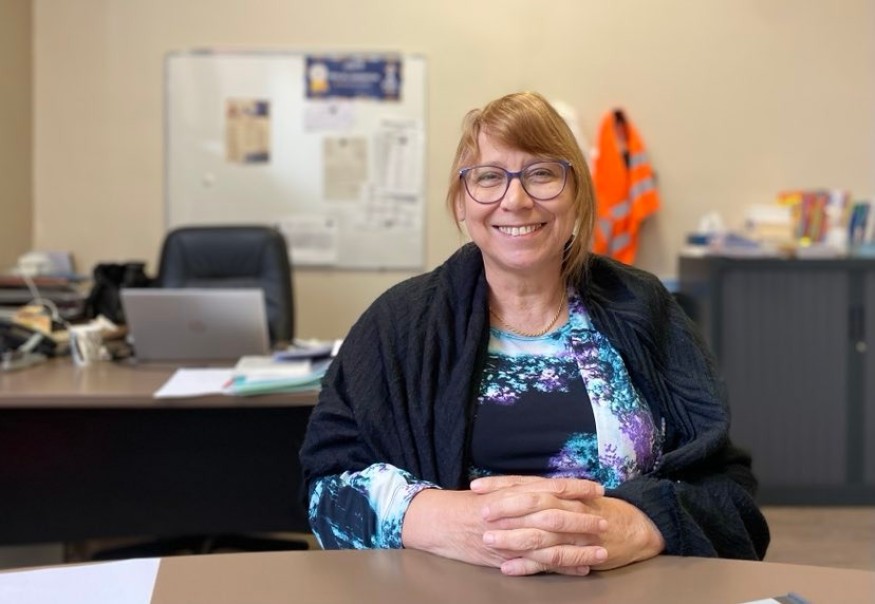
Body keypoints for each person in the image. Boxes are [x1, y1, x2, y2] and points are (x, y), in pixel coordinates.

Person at [299, 91, 770, 576]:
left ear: (576, 193)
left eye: (542, 173)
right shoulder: (401, 322)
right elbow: (324, 488)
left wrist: (641, 522)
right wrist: (443, 520)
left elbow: (728, 492)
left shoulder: (644, 308)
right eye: (488, 177)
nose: (516, 200)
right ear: (461, 202)